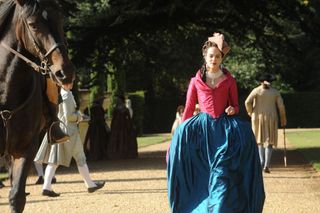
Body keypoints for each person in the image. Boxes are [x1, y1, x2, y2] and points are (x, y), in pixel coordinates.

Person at [167, 32, 265, 212]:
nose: (214, 59)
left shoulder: (229, 80)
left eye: (217, 56)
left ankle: (220, 208)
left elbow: (235, 105)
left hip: (223, 133)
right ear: (205, 56)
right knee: (203, 176)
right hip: (202, 132)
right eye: (211, 56)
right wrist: (179, 139)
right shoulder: (196, 81)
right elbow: (188, 109)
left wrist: (232, 110)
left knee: (221, 174)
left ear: (222, 58)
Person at [34, 81, 105, 197]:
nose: (70, 84)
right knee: (56, 161)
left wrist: (77, 114)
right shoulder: (66, 95)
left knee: (78, 157)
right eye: (68, 82)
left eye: (71, 82)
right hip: (68, 132)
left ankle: (90, 184)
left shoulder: (66, 93)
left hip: (69, 132)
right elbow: (68, 116)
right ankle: (47, 187)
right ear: (61, 83)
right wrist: (79, 117)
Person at [245, 73, 287, 173]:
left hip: (257, 117)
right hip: (271, 117)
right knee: (269, 141)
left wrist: (251, 113)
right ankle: (266, 165)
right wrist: (283, 119)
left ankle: (261, 162)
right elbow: (281, 107)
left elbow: (247, 102)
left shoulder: (256, 90)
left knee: (259, 140)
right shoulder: (275, 92)